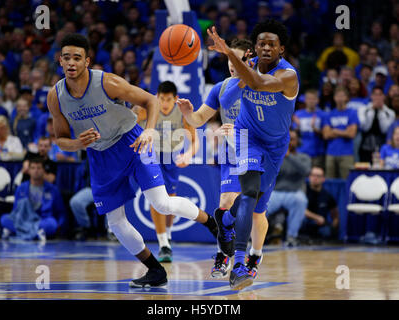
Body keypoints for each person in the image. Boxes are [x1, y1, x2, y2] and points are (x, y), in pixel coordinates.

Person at [46, 33, 217, 288]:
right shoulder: (55, 96)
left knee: (161, 203)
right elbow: (59, 139)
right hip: (99, 155)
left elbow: (150, 100)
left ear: (87, 61)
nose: (71, 63)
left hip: (132, 141)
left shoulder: (108, 82)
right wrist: (77, 144)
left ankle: (213, 224)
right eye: (67, 58)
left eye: (77, 58)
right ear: (60, 61)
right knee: (115, 223)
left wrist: (149, 129)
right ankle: (155, 270)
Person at [205, 19, 299, 290]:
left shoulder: (288, 75)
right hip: (246, 136)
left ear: (281, 49)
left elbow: (258, 83)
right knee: (248, 191)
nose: (266, 47)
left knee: (257, 205)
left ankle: (224, 219)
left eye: (272, 44)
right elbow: (225, 100)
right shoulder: (248, 68)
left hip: (275, 146)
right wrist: (239, 64)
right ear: (255, 47)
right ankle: (239, 264)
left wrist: (231, 54)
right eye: (261, 43)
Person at [178, 38, 269, 279]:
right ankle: (223, 254)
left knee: (257, 212)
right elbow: (198, 120)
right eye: (230, 58)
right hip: (230, 152)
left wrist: (241, 132)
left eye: (237, 59)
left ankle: (256, 255)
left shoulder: (261, 86)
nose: (232, 64)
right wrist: (189, 113)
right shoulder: (220, 88)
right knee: (226, 202)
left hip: (257, 149)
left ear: (250, 60)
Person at [133, 80, 199, 262]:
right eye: (161, 98)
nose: (164, 103)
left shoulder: (182, 113)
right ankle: (163, 244)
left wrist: (188, 155)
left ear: (175, 99)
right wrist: (134, 114)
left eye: (168, 99)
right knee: (157, 199)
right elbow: (128, 122)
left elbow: (195, 140)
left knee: (169, 199)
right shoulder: (147, 107)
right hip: (151, 154)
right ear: (157, 97)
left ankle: (167, 236)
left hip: (171, 156)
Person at [0, 158, 66, 242]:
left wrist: (59, 225)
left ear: (43, 170)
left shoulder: (52, 189)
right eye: (33, 168)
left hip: (42, 220)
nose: (36, 171)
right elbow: (15, 210)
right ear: (29, 171)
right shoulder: (21, 188)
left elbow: (60, 211)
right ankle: (37, 233)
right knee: (4, 219)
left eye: (39, 168)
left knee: (52, 224)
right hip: (23, 220)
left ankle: (19, 232)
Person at [265, 129, 311, 247]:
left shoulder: (303, 157)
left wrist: (289, 156)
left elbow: (306, 171)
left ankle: (292, 236)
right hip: (275, 192)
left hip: (294, 192)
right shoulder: (276, 156)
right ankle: (254, 236)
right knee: (259, 205)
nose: (290, 142)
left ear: (298, 141)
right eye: (287, 139)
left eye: (293, 139)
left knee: (301, 201)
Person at [322, 86, 359, 179]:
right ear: (334, 98)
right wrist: (344, 131)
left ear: (347, 98)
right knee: (330, 182)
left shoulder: (352, 113)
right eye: (338, 96)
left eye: (342, 96)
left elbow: (352, 134)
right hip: (331, 153)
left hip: (346, 154)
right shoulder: (329, 114)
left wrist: (335, 131)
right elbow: (326, 135)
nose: (340, 98)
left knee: (346, 181)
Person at [300, 166, 339, 241]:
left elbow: (335, 214)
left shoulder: (327, 195)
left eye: (318, 176)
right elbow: (300, 210)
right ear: (309, 177)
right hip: (306, 222)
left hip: (320, 225)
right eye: (313, 175)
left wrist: (333, 227)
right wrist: (316, 217)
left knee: (327, 231)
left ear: (323, 179)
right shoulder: (303, 192)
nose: (315, 178)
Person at [358, 86, 395, 163]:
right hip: (365, 146)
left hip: (382, 146)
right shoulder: (363, 109)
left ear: (383, 96)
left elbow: (385, 130)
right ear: (371, 96)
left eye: (380, 95)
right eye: (375, 94)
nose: (377, 97)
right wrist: (372, 110)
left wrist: (381, 111)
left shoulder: (390, 112)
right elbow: (365, 127)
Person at [292, 89, 326, 169]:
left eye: (313, 99)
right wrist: (298, 126)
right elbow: (294, 134)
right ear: (305, 100)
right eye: (309, 98)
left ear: (317, 100)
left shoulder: (322, 114)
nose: (311, 101)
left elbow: (325, 134)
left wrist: (315, 129)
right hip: (301, 151)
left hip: (317, 152)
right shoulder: (298, 114)